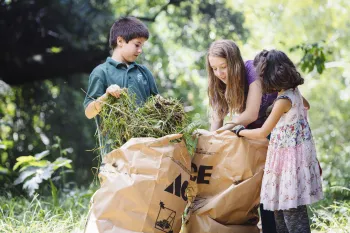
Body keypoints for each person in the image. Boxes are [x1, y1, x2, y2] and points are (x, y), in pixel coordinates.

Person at [233, 49, 323, 233]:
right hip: (291, 158)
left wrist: (240, 131)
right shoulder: (293, 92)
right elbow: (306, 105)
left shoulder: (283, 100)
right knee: (281, 211)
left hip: (287, 162)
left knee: (291, 213)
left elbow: (262, 132)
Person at [206, 39, 278, 233]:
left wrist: (223, 131)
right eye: (214, 68)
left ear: (234, 63)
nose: (220, 73)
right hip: (254, 137)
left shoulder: (251, 70)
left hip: (276, 133)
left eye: (224, 67)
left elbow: (250, 114)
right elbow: (217, 118)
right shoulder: (218, 82)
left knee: (275, 191)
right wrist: (210, 143)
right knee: (258, 190)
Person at [83, 16, 159, 155]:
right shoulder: (101, 72)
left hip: (145, 153)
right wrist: (106, 96)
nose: (140, 50)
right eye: (137, 44)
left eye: (142, 46)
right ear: (120, 41)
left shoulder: (144, 72)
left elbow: (158, 107)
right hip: (115, 155)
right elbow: (89, 112)